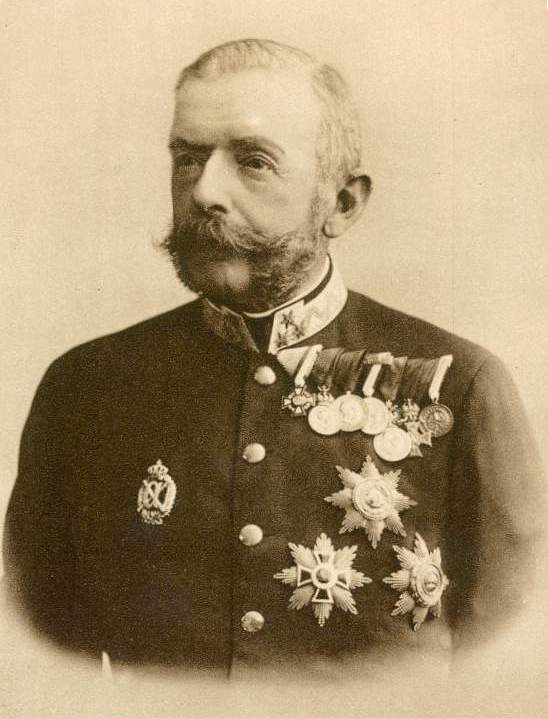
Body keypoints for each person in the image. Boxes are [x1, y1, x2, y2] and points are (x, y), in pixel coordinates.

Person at [3, 38, 544, 679]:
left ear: (342, 203)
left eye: (253, 162)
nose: (204, 191)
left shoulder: (461, 387)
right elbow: (34, 667)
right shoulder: (87, 389)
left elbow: (510, 676)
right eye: (187, 158)